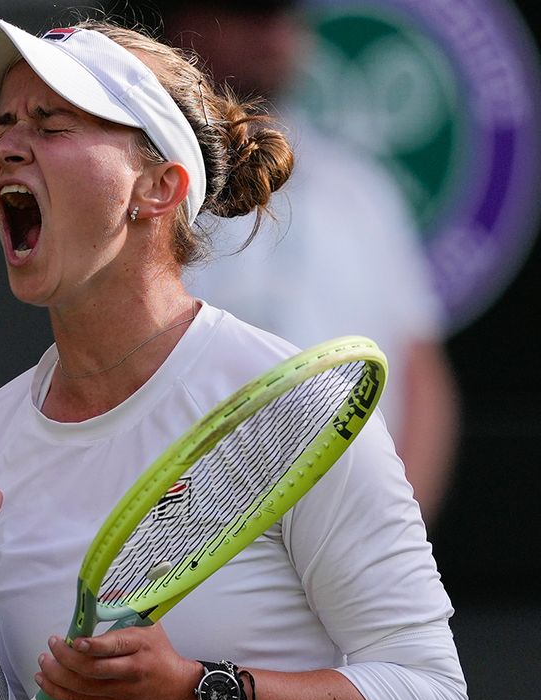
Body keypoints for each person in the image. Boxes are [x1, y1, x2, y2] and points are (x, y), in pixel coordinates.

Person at [0, 16, 468, 700]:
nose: (10, 147)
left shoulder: (290, 409)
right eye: (2, 127)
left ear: (158, 188)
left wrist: (198, 694)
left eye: (53, 126)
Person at [159, 0, 460, 525]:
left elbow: (422, 376)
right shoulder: (140, 185)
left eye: (286, 14)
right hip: (185, 543)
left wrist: (393, 530)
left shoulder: (363, 188)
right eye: (252, 14)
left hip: (355, 529)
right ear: (187, 22)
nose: (275, 34)